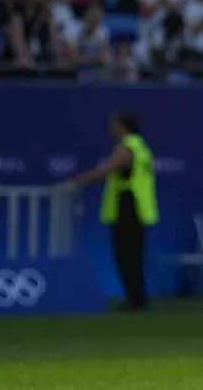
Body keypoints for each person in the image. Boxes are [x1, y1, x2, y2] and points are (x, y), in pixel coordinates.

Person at [68, 111, 159, 311]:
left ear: (122, 126)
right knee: (133, 254)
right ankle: (137, 298)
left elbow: (107, 170)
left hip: (129, 205)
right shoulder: (143, 148)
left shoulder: (127, 147)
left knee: (126, 254)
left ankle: (134, 300)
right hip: (139, 208)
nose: (111, 129)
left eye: (114, 125)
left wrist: (78, 181)